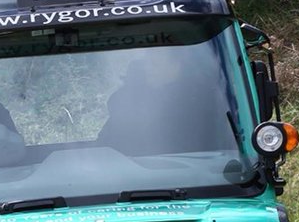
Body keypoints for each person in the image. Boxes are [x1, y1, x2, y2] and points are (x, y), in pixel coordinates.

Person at [97, 56, 233, 155]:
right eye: (146, 64)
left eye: (154, 63)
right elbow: (106, 150)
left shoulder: (206, 104)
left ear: (178, 66)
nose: (147, 69)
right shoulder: (126, 105)